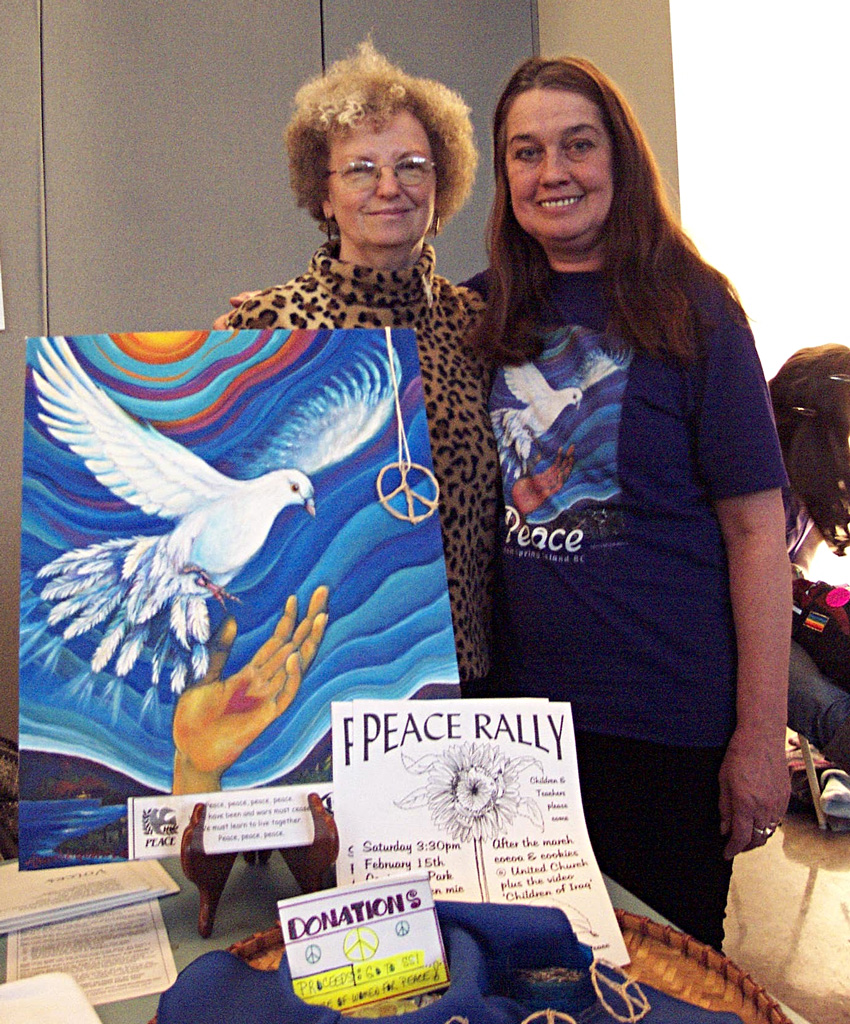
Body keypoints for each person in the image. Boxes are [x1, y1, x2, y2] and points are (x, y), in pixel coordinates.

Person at [465, 56, 790, 950]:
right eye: (526, 153)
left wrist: (763, 736)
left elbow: (760, 531)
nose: (553, 172)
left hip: (666, 734)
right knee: (524, 979)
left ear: (620, 158)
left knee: (661, 987)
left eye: (578, 144)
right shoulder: (479, 315)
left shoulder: (696, 309)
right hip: (513, 735)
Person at [215, 41, 499, 692]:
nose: (389, 187)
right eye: (360, 169)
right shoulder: (264, 329)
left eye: (411, 165)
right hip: (312, 686)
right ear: (324, 189)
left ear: (442, 179)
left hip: (467, 681)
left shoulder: (481, 329)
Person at [769, 343, 850, 774]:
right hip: (730, 620)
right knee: (822, 702)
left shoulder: (811, 490)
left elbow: (798, 572)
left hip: (782, 613)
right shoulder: (765, 477)